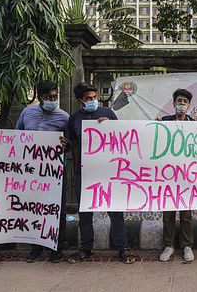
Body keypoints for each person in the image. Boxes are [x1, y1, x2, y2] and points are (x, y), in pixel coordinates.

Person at [67, 82, 135, 264]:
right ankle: (86, 248)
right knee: (85, 212)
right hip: (85, 171)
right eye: (88, 98)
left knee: (115, 210)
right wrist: (75, 173)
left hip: (109, 171)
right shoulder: (73, 119)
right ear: (79, 101)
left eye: (94, 97)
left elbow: (120, 140)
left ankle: (123, 247)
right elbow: (74, 146)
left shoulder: (108, 114)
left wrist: (109, 127)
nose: (93, 101)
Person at [15, 80, 70, 263]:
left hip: (54, 173)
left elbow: (71, 144)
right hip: (31, 172)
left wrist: (66, 144)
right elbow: (16, 137)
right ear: (39, 97)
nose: (52, 100)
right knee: (33, 209)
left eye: (55, 97)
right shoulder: (26, 113)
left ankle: (57, 248)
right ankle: (36, 248)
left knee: (57, 210)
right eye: (48, 97)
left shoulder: (64, 117)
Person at [156, 89, 197, 262]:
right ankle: (169, 246)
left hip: (186, 177)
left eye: (185, 101)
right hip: (167, 175)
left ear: (189, 105)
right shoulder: (163, 122)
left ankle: (187, 246)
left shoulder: (194, 126)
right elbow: (154, 143)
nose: (182, 104)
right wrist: (154, 127)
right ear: (173, 103)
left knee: (186, 215)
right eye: (179, 101)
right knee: (168, 214)